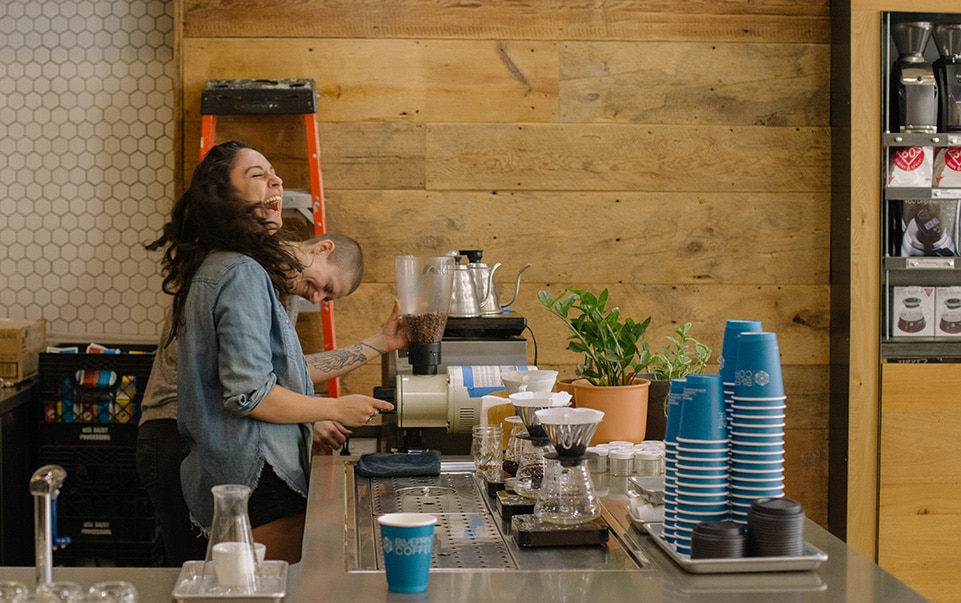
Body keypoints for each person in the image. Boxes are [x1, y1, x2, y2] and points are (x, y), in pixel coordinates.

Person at [154, 140, 395, 563]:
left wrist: (379, 343)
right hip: (254, 470)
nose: (276, 180)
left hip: (230, 467)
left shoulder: (221, 266)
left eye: (273, 173)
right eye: (257, 175)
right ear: (225, 196)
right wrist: (333, 410)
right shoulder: (242, 273)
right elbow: (250, 393)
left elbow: (284, 373)